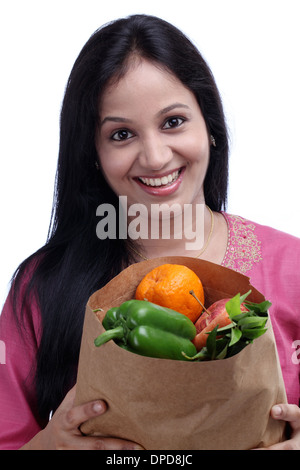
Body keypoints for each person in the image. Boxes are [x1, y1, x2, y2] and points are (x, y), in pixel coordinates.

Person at [0, 14, 299, 450]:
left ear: (210, 127)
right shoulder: (43, 288)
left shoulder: (291, 270)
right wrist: (47, 446)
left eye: (173, 122)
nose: (156, 157)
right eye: (122, 134)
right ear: (93, 154)